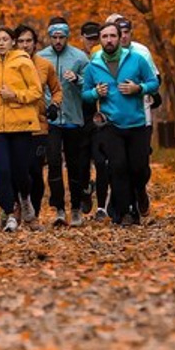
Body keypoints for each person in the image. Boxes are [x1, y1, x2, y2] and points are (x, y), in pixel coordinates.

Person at [81, 21, 160, 226]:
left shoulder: (137, 59)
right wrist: (95, 93)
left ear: (120, 38)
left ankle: (139, 196)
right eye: (105, 36)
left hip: (136, 124)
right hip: (111, 124)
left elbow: (154, 82)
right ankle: (125, 212)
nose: (109, 40)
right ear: (100, 40)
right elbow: (85, 94)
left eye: (113, 36)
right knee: (118, 168)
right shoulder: (94, 65)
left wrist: (139, 88)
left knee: (139, 169)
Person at [0, 25, 43, 232]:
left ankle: (25, 199)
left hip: (21, 123)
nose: (1, 43)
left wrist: (15, 95)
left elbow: (36, 92)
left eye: (5, 39)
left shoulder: (23, 62)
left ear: (13, 41)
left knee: (20, 171)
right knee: (2, 170)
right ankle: (9, 211)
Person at [39, 17, 91, 226]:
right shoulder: (41, 58)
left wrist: (77, 80)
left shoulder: (79, 57)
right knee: (53, 164)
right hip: (50, 120)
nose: (58, 40)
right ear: (49, 37)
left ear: (68, 37)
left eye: (62, 37)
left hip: (73, 118)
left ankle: (76, 207)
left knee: (75, 165)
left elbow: (91, 87)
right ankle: (59, 209)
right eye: (54, 37)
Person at [15, 24, 61, 228]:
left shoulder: (44, 65)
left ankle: (33, 212)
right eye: (21, 41)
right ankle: (18, 207)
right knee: (19, 170)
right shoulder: (9, 65)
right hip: (15, 125)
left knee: (35, 170)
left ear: (35, 43)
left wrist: (55, 105)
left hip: (39, 124)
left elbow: (57, 90)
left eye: (29, 41)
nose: (25, 45)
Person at [79, 20, 109, 220]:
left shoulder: (105, 58)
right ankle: (85, 190)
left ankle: (102, 207)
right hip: (81, 118)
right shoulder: (78, 59)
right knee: (81, 164)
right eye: (88, 39)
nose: (92, 42)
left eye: (95, 38)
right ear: (82, 39)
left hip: (102, 119)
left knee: (101, 162)